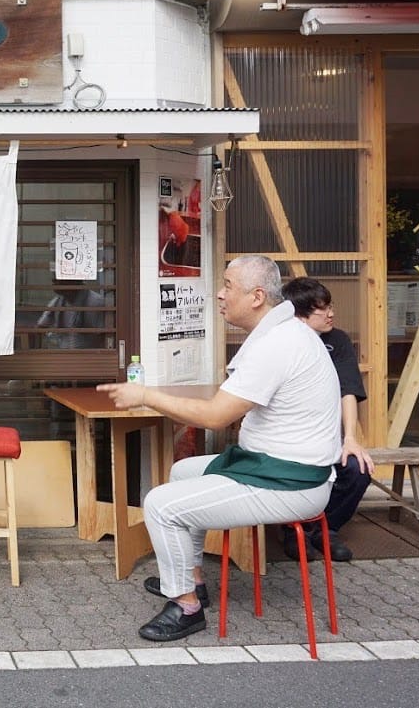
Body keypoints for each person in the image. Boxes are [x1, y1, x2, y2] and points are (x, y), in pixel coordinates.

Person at [98, 255, 341, 643]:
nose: (220, 294)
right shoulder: (282, 333)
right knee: (182, 473)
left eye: (228, 285)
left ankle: (186, 607)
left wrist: (144, 394)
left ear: (257, 296)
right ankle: (193, 578)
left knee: (161, 503)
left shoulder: (279, 343)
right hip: (274, 466)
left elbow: (214, 417)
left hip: (289, 481)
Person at [279, 277, 373, 562]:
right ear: (300, 314)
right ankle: (292, 530)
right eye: (322, 309)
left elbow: (349, 390)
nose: (331, 313)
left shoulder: (338, 341)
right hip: (291, 439)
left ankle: (326, 528)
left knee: (358, 469)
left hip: (330, 436)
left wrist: (351, 439)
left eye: (330, 306)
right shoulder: (282, 343)